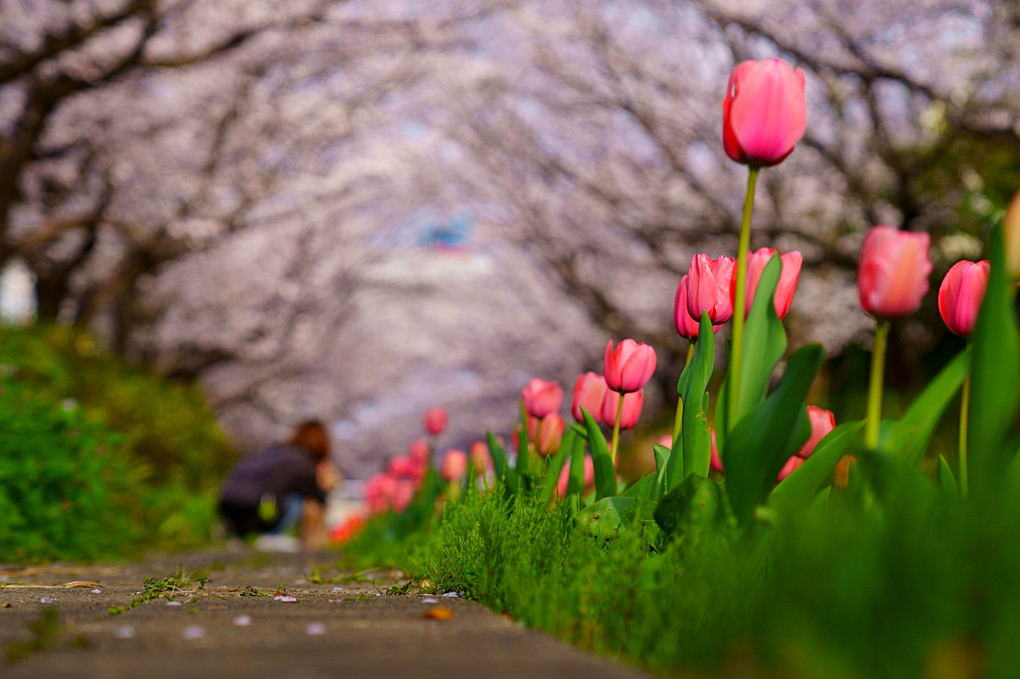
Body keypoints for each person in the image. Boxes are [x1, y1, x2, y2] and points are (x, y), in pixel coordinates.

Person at [219, 419, 340, 551]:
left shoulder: (275, 452)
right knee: (297, 499)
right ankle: (273, 535)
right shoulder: (303, 463)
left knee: (280, 492)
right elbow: (319, 496)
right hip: (258, 511)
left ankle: (238, 536)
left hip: (227, 505)